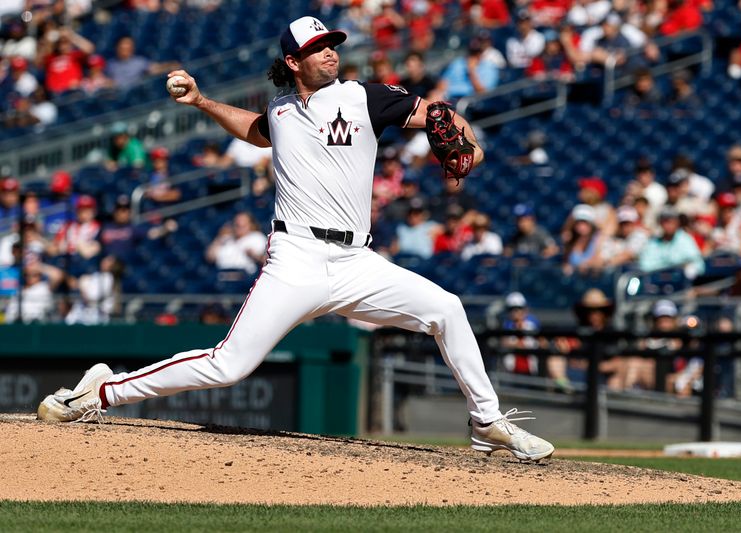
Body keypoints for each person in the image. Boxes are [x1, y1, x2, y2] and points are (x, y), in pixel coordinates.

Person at [38, 16, 553, 462]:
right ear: (292, 61)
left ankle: (486, 423)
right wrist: (201, 102)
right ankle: (98, 392)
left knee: (447, 308)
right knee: (228, 364)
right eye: (315, 48)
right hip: (297, 259)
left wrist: (471, 149)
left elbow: (438, 115)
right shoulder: (282, 112)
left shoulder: (363, 97)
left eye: (331, 44)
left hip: (355, 260)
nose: (329, 51)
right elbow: (256, 130)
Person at [639, 207, 705, 277]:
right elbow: (645, 266)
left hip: (680, 281)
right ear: (660, 223)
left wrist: (686, 269)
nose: (669, 225)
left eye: (672, 222)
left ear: (677, 223)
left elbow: (698, 264)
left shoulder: (685, 239)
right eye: (665, 222)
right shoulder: (653, 243)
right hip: (657, 280)